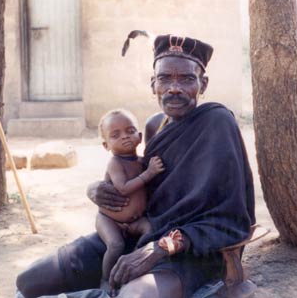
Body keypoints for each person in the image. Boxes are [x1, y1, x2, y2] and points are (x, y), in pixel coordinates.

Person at [16, 34, 255, 298]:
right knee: (29, 281)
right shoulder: (155, 126)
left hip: (193, 249)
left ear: (203, 84)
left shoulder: (217, 123)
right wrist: (96, 188)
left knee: (135, 295)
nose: (174, 88)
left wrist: (162, 247)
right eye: (165, 78)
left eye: (187, 79)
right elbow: (144, 180)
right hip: (138, 235)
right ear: (153, 84)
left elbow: (231, 218)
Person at [96, 109, 164, 295]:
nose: (125, 137)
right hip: (110, 220)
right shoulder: (115, 164)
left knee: (150, 230)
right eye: (115, 135)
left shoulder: (142, 162)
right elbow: (123, 188)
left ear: (140, 136)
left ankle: (133, 261)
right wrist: (149, 173)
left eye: (130, 131)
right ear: (106, 145)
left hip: (134, 221)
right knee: (115, 245)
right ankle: (105, 279)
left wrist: (148, 170)